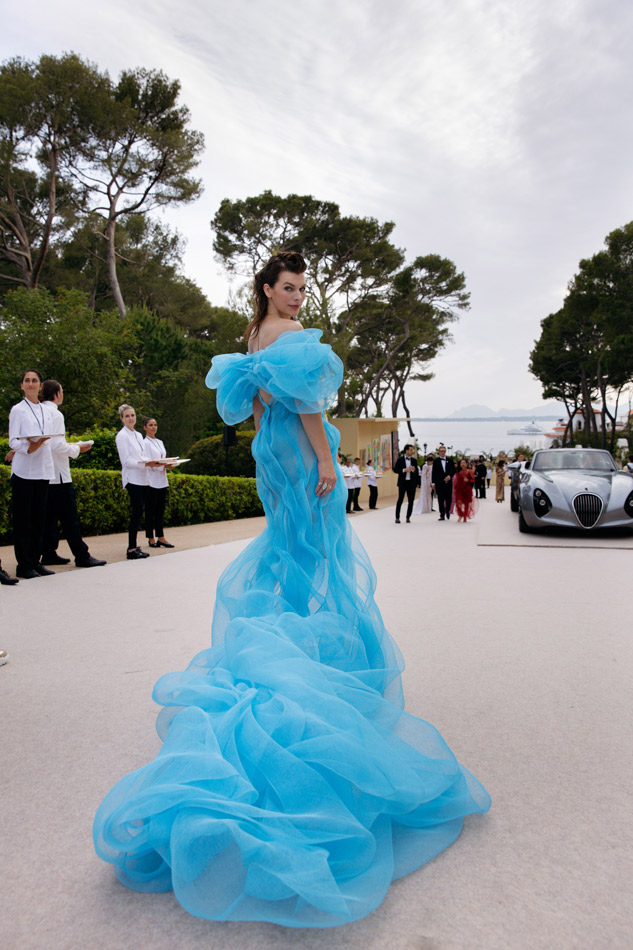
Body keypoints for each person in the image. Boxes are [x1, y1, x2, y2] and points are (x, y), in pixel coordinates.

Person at [93, 251, 490, 928]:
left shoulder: (251, 338)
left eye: (304, 288)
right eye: (289, 288)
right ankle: (311, 661)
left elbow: (255, 408)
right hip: (300, 453)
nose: (299, 298)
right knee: (317, 558)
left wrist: (283, 439)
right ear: (266, 289)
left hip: (268, 455)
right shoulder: (288, 340)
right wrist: (330, 461)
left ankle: (291, 646)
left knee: (287, 554)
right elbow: (309, 406)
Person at [40, 380, 106, 569]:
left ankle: (48, 553)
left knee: (50, 518)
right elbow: (57, 445)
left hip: (46, 473)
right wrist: (78, 448)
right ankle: (82, 555)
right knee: (70, 518)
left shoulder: (40, 411)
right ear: (58, 394)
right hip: (59, 474)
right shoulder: (56, 414)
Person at [8, 370, 56, 579]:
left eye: (34, 381)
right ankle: (24, 565)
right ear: (22, 385)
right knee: (23, 520)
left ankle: (35, 561)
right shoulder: (18, 410)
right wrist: (30, 447)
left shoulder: (46, 411)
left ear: (40, 385)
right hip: (24, 471)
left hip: (42, 470)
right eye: (27, 381)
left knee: (39, 519)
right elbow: (13, 441)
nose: (31, 384)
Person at [115, 404, 157, 560]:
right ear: (122, 419)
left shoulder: (138, 435)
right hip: (132, 479)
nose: (130, 418)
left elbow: (143, 456)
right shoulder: (122, 436)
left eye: (132, 415)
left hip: (143, 478)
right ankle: (131, 548)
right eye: (127, 416)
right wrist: (145, 463)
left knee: (140, 512)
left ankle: (134, 546)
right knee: (136, 512)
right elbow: (126, 461)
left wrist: (154, 463)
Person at [142, 416, 175, 549]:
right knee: (150, 510)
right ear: (145, 427)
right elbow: (149, 462)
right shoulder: (145, 443)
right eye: (150, 425)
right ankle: (151, 538)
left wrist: (170, 464)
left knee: (160, 510)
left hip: (162, 479)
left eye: (155, 425)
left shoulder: (160, 442)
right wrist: (163, 465)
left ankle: (161, 536)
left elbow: (162, 458)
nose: (153, 427)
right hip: (151, 480)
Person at [393, 443, 419, 523]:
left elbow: (417, 473)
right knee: (400, 499)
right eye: (411, 450)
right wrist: (404, 470)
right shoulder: (400, 459)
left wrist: (414, 470)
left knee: (411, 501)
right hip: (402, 483)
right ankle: (397, 517)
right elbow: (395, 470)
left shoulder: (414, 461)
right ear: (406, 450)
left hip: (411, 483)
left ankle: (408, 517)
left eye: (412, 450)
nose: (412, 451)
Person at [432, 445, 456, 521]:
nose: (443, 452)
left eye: (444, 451)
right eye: (441, 451)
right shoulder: (436, 461)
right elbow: (434, 473)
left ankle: (448, 511)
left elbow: (453, 470)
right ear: (439, 452)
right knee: (440, 499)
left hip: (448, 483)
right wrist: (433, 483)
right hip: (439, 483)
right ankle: (442, 514)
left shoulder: (450, 460)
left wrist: (450, 476)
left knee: (448, 499)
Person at [454, 458, 478, 522]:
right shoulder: (458, 472)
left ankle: (465, 517)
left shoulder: (470, 471)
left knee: (466, 503)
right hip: (459, 489)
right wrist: (454, 489)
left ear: (466, 464)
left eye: (464, 463)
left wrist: (468, 480)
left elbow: (473, 480)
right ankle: (460, 514)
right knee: (458, 501)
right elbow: (456, 480)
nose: (463, 464)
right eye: (461, 463)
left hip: (467, 489)